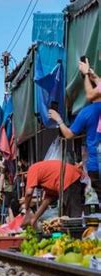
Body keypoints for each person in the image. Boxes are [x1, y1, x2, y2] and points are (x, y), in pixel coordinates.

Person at [49, 58, 101, 199]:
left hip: (96, 166)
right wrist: (89, 74)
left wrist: (59, 119)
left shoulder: (86, 112)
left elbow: (69, 135)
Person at [21, 159, 84, 227]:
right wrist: (34, 218)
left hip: (68, 178)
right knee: (68, 217)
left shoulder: (32, 170)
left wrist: (26, 209)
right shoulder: (46, 178)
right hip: (71, 176)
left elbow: (28, 193)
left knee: (74, 217)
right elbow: (47, 201)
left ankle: (78, 234)